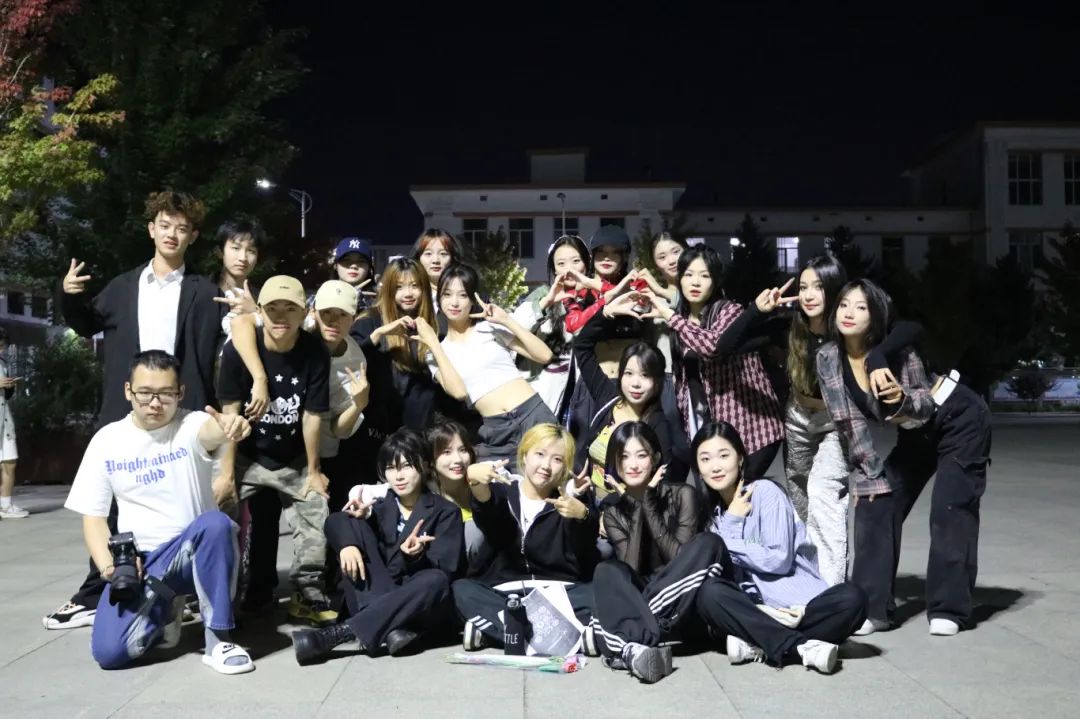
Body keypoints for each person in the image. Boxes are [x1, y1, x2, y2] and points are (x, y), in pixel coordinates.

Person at [48, 190, 222, 631]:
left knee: (185, 499)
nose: (172, 234)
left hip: (182, 413)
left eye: (181, 228)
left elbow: (235, 335)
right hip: (127, 408)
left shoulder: (204, 291)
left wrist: (250, 316)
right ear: (151, 229)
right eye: (165, 225)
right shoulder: (123, 287)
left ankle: (183, 589)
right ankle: (97, 589)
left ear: (193, 236)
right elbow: (85, 324)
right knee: (110, 503)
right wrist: (68, 295)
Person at [816, 279, 991, 637]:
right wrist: (869, 475)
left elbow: (924, 406)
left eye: (861, 307)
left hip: (958, 419)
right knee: (875, 501)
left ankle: (949, 608)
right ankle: (873, 609)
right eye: (844, 305)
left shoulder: (899, 351)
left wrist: (900, 400)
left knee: (950, 507)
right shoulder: (828, 358)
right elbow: (848, 421)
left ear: (875, 315)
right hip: (914, 435)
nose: (849, 313)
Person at [63, 350, 255, 674]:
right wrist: (110, 568)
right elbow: (93, 518)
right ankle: (166, 609)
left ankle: (218, 639)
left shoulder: (191, 424)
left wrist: (228, 425)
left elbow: (212, 431)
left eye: (166, 394)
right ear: (128, 391)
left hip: (195, 552)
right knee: (110, 653)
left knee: (216, 524)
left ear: (180, 393)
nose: (155, 403)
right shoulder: (107, 441)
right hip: (144, 564)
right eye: (145, 393)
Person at [782, 255, 923, 586]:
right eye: (803, 286)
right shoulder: (794, 324)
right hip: (799, 418)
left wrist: (879, 356)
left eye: (818, 287)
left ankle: (831, 588)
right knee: (801, 496)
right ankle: (810, 571)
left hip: (835, 422)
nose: (808, 294)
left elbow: (910, 327)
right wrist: (757, 311)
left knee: (823, 490)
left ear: (834, 290)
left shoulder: (851, 328)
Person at [692, 422, 867, 674]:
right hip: (760, 612)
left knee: (853, 599)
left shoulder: (766, 493)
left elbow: (778, 560)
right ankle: (798, 648)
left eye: (723, 455)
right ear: (698, 469)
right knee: (710, 594)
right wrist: (730, 521)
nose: (715, 466)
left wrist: (730, 530)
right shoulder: (711, 522)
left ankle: (760, 644)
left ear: (740, 458)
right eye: (705, 459)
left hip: (804, 608)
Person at [214, 275, 335, 625]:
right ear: (260, 312)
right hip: (247, 455)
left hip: (291, 458)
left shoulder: (314, 351)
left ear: (304, 313)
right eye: (272, 308)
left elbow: (312, 415)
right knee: (218, 508)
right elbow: (229, 413)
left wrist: (313, 470)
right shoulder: (239, 350)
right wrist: (226, 474)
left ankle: (307, 589)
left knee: (315, 505)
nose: (281, 316)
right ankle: (221, 589)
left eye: (290, 308)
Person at [293, 429, 464, 663]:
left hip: (415, 603)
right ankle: (393, 632)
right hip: (380, 592)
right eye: (391, 468)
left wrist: (414, 557)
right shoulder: (379, 507)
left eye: (406, 466)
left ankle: (339, 634)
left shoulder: (445, 511)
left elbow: (447, 570)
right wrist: (348, 546)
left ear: (424, 466)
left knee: (436, 580)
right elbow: (335, 521)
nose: (398, 476)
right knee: (352, 524)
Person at [590, 422, 727, 684]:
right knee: (606, 570)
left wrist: (650, 503)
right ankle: (640, 644)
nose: (633, 465)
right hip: (645, 598)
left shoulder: (683, 494)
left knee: (708, 543)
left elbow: (680, 561)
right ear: (615, 464)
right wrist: (638, 506)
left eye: (641, 455)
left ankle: (628, 639)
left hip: (682, 603)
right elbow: (630, 568)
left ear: (655, 458)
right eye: (624, 457)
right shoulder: (613, 512)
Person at [638, 245, 786, 479]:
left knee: (738, 493)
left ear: (715, 281)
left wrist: (671, 317)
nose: (695, 282)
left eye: (704, 275)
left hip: (752, 430)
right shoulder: (682, 318)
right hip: (705, 429)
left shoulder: (729, 311)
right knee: (710, 495)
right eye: (688, 274)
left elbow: (712, 347)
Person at [452, 424, 599, 651]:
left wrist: (583, 514)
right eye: (539, 454)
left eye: (557, 459)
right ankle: (562, 637)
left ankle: (499, 633)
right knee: (462, 589)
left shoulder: (569, 501)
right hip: (504, 592)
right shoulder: (503, 492)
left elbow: (585, 545)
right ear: (524, 455)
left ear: (565, 467)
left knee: (596, 593)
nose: (546, 465)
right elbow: (487, 511)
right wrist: (475, 481)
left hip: (558, 593)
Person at [231, 279, 370, 514]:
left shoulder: (355, 362)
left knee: (321, 515)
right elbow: (240, 323)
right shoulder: (295, 322)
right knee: (263, 517)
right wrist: (259, 377)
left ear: (353, 318)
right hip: (273, 438)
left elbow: (339, 430)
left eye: (342, 315)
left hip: (318, 450)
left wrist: (359, 405)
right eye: (326, 312)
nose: (333, 321)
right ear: (312, 311)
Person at [431, 263, 556, 470]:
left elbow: (544, 355)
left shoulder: (488, 327)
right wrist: (433, 343)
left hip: (532, 414)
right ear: (439, 299)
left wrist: (506, 320)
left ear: (473, 299)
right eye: (447, 294)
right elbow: (459, 393)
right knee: (501, 488)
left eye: (463, 295)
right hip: (497, 431)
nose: (454, 302)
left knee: (554, 484)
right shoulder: (436, 352)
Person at [572, 298, 689, 492]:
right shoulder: (608, 398)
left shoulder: (657, 425)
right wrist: (606, 312)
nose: (635, 383)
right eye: (629, 373)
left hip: (628, 507)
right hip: (592, 499)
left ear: (657, 382)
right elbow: (582, 347)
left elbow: (665, 483)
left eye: (645, 375)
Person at [0, 328, 26, 519]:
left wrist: (9, 386)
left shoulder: (2, 363)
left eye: (3, 345)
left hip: (5, 419)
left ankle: (5, 505)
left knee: (10, 462)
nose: (2, 349)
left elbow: (6, 395)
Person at [411, 228, 464, 306]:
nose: (435, 260)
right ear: (418, 258)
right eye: (428, 254)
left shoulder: (465, 291)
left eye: (443, 254)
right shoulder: (410, 295)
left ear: (453, 258)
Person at [331, 237, 376, 312]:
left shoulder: (380, 302)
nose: (354, 266)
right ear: (335, 265)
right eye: (346, 260)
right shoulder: (321, 297)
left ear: (369, 267)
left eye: (361, 261)